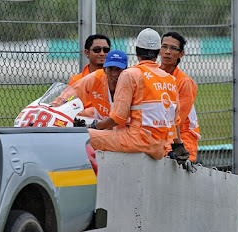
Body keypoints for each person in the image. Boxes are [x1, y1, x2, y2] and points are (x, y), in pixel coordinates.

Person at [88, 28, 189, 164]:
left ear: (136, 51)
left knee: (83, 137)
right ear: (158, 52)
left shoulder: (131, 74)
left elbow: (118, 118)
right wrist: (178, 146)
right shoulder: (170, 79)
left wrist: (96, 126)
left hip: (136, 141)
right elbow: (174, 119)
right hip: (158, 147)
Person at [51, 50, 128, 120]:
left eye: (118, 69)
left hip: (123, 124)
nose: (114, 74)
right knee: (70, 116)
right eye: (110, 69)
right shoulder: (95, 77)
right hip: (100, 113)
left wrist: (99, 126)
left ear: (126, 70)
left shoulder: (132, 81)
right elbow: (73, 91)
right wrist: (53, 107)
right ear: (104, 69)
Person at [160, 31, 201, 162]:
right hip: (159, 132)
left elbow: (177, 120)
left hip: (182, 137)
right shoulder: (152, 74)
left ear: (181, 54)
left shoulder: (185, 82)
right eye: (164, 46)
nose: (167, 51)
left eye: (173, 48)